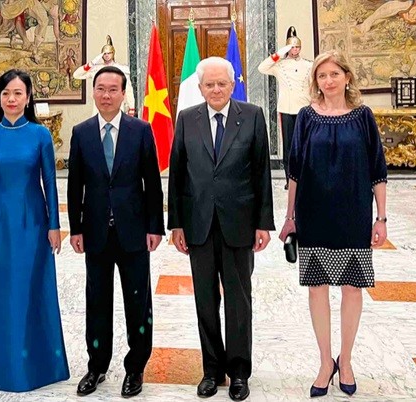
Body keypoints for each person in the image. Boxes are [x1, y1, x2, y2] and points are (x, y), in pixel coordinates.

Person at [278, 50, 388, 398]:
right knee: (317, 287)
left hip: (353, 212)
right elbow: (294, 170)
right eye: (322, 75)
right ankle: (326, 361)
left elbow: (377, 170)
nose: (328, 80)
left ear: (347, 77)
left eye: (334, 74)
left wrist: (381, 218)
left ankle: (348, 359)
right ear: (316, 81)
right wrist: (289, 216)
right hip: (313, 212)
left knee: (353, 288)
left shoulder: (363, 116)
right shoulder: (307, 117)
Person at [167, 57, 274, 401]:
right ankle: (212, 370)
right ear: (200, 88)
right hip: (198, 224)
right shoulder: (186, 119)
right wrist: (177, 223)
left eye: (221, 84)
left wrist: (263, 222)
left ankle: (239, 371)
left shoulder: (253, 115)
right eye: (209, 85)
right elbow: (178, 175)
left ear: (233, 85)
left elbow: (261, 173)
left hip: (239, 223)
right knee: (205, 300)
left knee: (239, 300)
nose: (215, 90)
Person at [0, 69, 69, 392]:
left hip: (32, 222)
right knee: (0, 290)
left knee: (31, 287)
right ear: (0, 98)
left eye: (18, 93)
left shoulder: (39, 135)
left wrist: (55, 225)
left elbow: (49, 183)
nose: (11, 99)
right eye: (6, 93)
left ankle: (39, 366)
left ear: (28, 98)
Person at [67, 65, 164, 398]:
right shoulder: (81, 133)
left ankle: (135, 367)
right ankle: (97, 366)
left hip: (134, 231)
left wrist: (155, 227)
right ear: (93, 92)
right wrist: (75, 229)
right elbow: (74, 185)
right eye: (100, 89)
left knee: (138, 301)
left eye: (113, 89)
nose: (106, 95)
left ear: (124, 94)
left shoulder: (140, 130)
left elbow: (152, 183)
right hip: (95, 232)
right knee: (97, 301)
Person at [258, 26, 312, 190]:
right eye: (292, 47)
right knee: (288, 146)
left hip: (304, 108)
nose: (295, 50)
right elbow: (262, 67)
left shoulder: (309, 65)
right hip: (287, 109)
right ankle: (290, 179)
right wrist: (280, 52)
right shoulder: (279, 65)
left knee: (305, 143)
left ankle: (306, 177)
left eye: (297, 47)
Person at [73, 35, 136, 116]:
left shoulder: (121, 69)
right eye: (104, 53)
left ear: (113, 53)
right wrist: (91, 63)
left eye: (109, 53)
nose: (106, 55)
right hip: (99, 105)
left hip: (116, 104)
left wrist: (131, 107)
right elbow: (76, 75)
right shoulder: (96, 69)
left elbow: (128, 89)